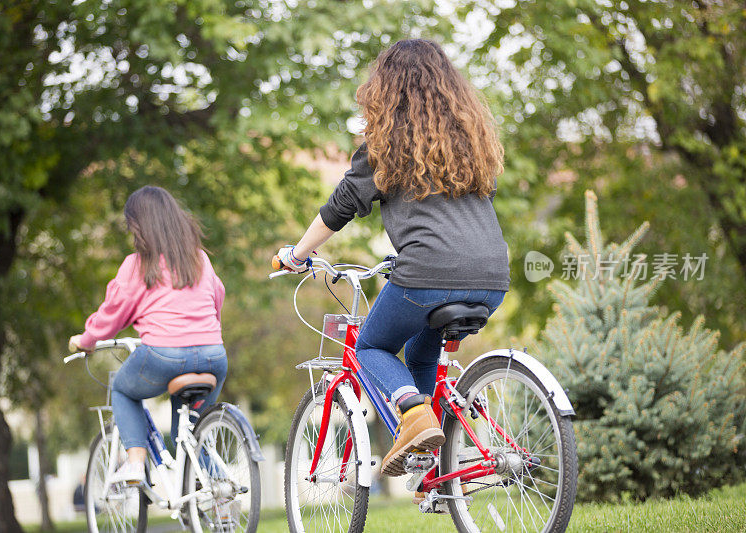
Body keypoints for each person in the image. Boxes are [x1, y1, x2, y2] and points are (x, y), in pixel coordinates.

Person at [274, 39, 509, 477]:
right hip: (493, 276)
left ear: (386, 90)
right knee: (421, 356)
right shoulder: (473, 142)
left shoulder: (386, 145)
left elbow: (341, 205)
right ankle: (429, 465)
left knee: (370, 346)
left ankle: (413, 414)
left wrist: (296, 254)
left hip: (426, 273)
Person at [69, 185, 227, 484]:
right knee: (195, 434)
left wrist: (86, 341)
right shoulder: (199, 259)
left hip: (164, 355)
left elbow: (113, 313)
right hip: (213, 355)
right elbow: (217, 298)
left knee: (123, 390)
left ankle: (135, 463)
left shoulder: (138, 265)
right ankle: (216, 497)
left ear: (139, 226)